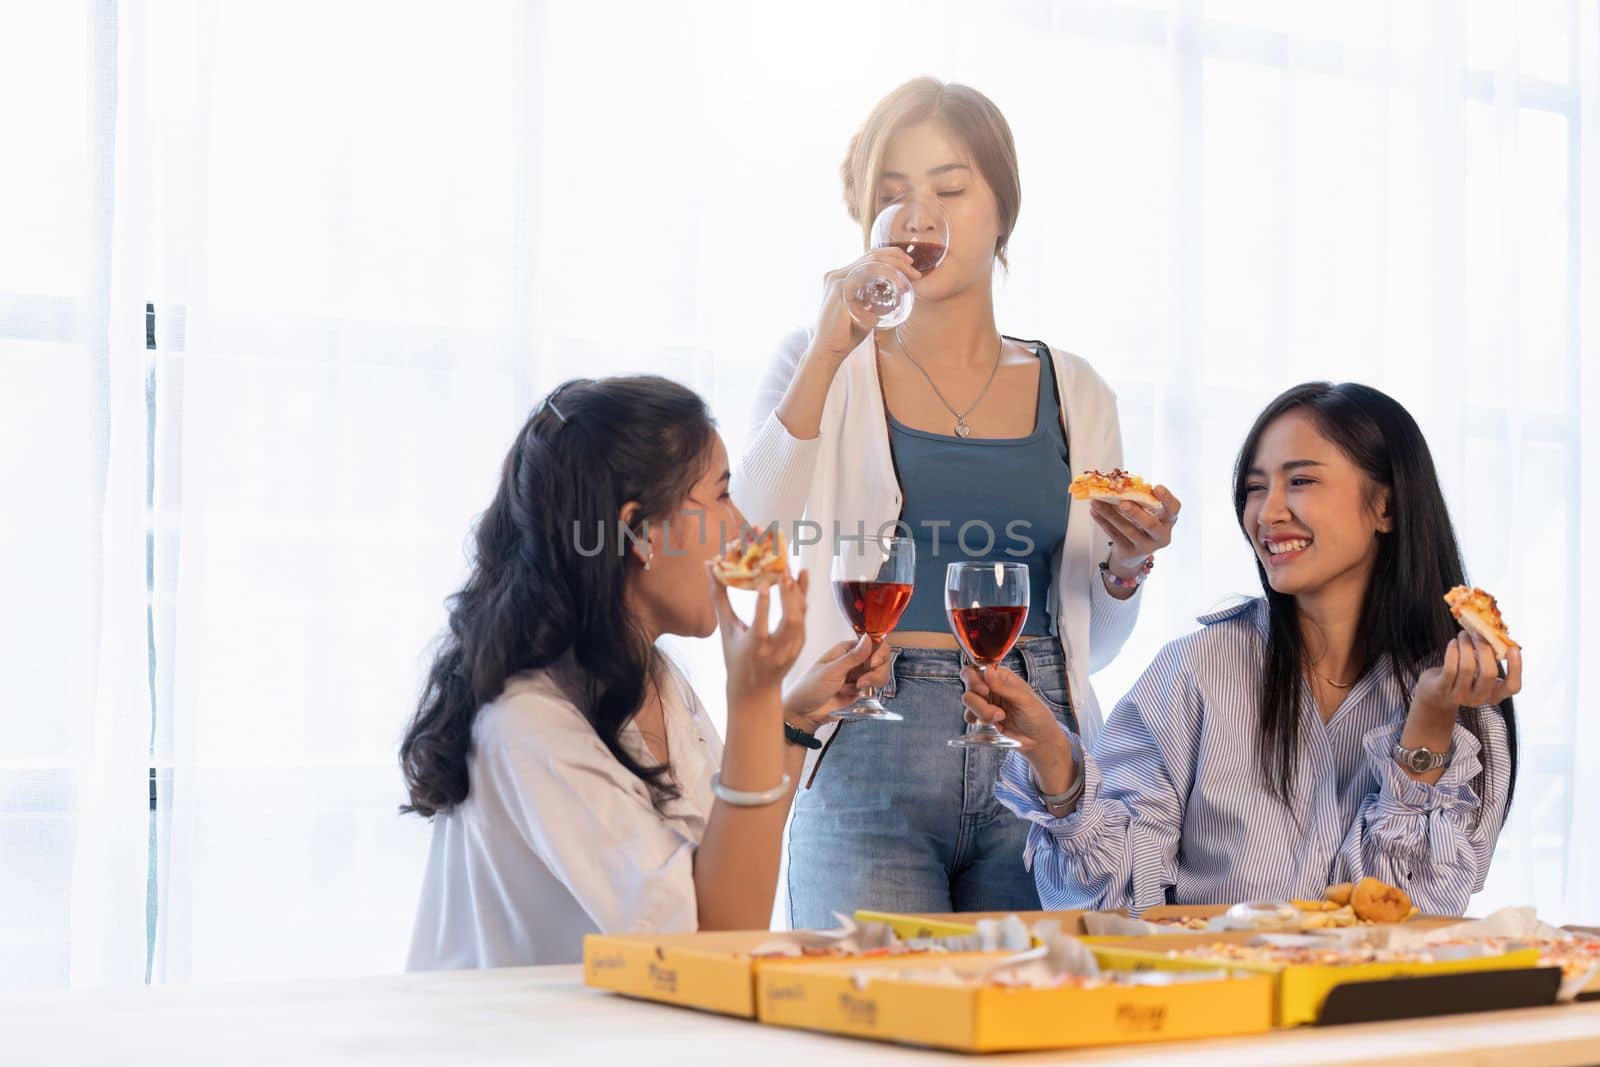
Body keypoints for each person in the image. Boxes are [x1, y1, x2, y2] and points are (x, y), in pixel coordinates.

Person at [732, 78, 1180, 926]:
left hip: (1033, 747)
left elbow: (1097, 640)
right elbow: (749, 533)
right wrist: (831, 347)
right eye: (893, 195)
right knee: (876, 1033)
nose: (918, 215)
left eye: (948, 187)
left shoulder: (1077, 391)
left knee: (1032, 1033)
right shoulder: (825, 361)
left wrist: (1126, 565)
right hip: (869, 748)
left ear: (1001, 208)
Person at [965, 381, 1520, 915]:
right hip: (1213, 996)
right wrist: (1055, 762)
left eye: (1300, 481)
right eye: (1256, 487)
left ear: (1386, 508)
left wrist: (1429, 723)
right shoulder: (1198, 668)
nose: (1268, 513)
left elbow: (1411, 913)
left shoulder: (1459, 691)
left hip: (1367, 1008)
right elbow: (1118, 901)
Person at [402, 375, 888, 968]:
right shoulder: (531, 725)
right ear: (639, 531)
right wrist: (754, 698)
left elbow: (728, 863)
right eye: (722, 496)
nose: (744, 531)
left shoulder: (652, 676)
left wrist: (787, 720)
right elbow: (712, 942)